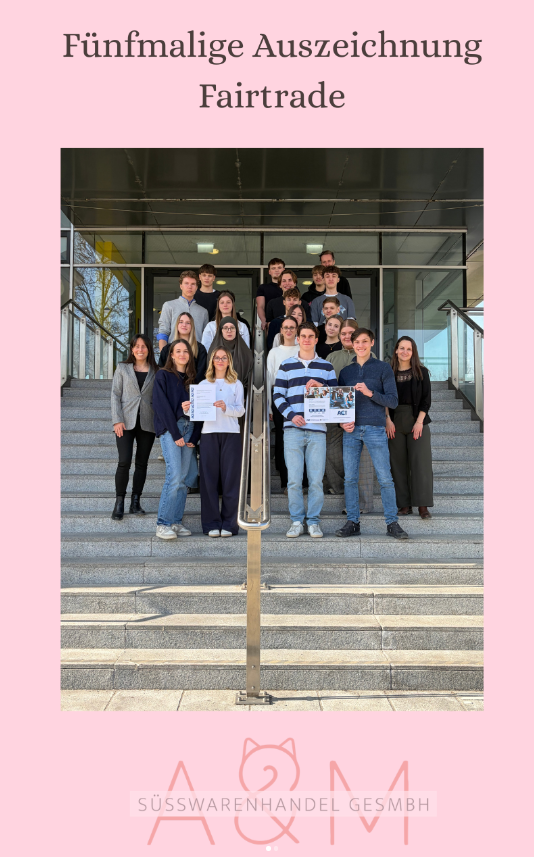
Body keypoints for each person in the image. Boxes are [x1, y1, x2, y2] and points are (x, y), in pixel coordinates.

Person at [335, 328, 408, 540]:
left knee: (385, 478)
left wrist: (370, 393)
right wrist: (341, 422)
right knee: (350, 479)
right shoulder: (346, 372)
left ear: (372, 343)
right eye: (357, 341)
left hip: (375, 428)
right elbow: (339, 404)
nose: (360, 345)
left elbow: (393, 401)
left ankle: (392, 523)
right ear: (352, 344)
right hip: (351, 430)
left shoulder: (383, 368)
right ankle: (353, 522)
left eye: (365, 341)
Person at [273, 322, 338, 538]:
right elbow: (277, 395)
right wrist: (292, 415)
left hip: (317, 430)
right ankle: (296, 521)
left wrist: (321, 387)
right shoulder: (286, 365)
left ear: (316, 339)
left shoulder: (326, 367)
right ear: (298, 339)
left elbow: (336, 396)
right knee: (293, 480)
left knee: (316, 481)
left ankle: (313, 522)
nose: (307, 339)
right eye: (303, 336)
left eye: (311, 336)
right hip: (293, 429)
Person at [152, 339, 202, 539]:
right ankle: (163, 523)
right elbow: (160, 406)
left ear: (190, 355)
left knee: (183, 479)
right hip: (171, 429)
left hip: (190, 429)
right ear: (171, 355)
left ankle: (175, 522)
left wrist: (195, 436)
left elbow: (200, 411)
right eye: (178, 351)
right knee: (173, 476)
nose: (182, 354)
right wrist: (175, 434)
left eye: (185, 351)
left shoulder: (194, 379)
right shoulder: (162, 375)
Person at [325, 320, 375, 510]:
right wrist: (340, 419)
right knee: (331, 453)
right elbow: (328, 387)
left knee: (362, 459)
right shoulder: (332, 357)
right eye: (343, 333)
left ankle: (362, 502)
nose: (347, 336)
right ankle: (339, 487)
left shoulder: (369, 356)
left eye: (351, 333)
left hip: (363, 414)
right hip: (337, 414)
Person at [198, 348, 245, 536]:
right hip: (208, 433)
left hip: (231, 433)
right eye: (217, 357)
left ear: (229, 361)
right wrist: (187, 408)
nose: (220, 360)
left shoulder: (236, 384)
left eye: (224, 357)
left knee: (231, 480)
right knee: (208, 480)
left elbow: (241, 410)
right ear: (212, 361)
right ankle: (211, 524)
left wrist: (227, 407)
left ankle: (229, 525)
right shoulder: (203, 384)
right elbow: (197, 412)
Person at [110, 334, 158, 520]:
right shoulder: (123, 368)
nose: (140, 349)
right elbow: (115, 394)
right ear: (132, 349)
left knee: (142, 463)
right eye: (137, 346)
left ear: (148, 349)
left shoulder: (156, 370)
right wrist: (117, 420)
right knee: (124, 461)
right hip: (125, 422)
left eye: (144, 346)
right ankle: (119, 502)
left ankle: (135, 501)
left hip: (147, 422)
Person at [385, 337, 433, 519]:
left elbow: (426, 400)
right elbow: (384, 397)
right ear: (396, 350)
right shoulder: (388, 372)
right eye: (401, 348)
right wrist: (387, 420)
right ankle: (404, 504)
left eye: (409, 349)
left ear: (413, 352)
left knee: (420, 464)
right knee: (397, 464)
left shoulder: (421, 372)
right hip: (394, 421)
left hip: (417, 420)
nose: (405, 352)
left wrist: (419, 421)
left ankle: (422, 505)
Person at [267, 315, 300, 493]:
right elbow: (268, 379)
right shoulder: (274, 352)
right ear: (281, 331)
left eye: (292, 327)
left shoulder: (303, 348)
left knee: (301, 436)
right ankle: (286, 481)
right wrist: (268, 406)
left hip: (300, 398)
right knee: (282, 438)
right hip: (279, 397)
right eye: (285, 327)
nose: (288, 330)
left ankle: (302, 481)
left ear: (296, 330)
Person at [158, 270, 209, 351]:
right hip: (174, 354)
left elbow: (206, 338)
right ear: (181, 286)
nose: (190, 287)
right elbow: (163, 332)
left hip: (196, 355)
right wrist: (164, 355)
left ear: (196, 287)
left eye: (193, 284)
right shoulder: (169, 306)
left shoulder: (203, 312)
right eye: (186, 283)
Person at [158, 311, 207, 382]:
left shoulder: (200, 349)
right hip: (170, 387)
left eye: (188, 323)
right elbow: (161, 373)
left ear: (192, 326)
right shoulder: (167, 349)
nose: (184, 325)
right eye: (181, 322)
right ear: (177, 325)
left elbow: (201, 375)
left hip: (193, 387)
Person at [207, 317, 253, 386]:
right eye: (225, 328)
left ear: (236, 330)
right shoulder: (213, 351)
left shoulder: (245, 352)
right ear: (221, 330)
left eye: (232, 328)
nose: (229, 331)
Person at [266, 286, 306, 350]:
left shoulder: (306, 323)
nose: (291, 303)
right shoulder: (275, 323)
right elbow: (271, 347)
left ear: (300, 302)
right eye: (289, 299)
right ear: (284, 302)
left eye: (295, 299)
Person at [256, 257, 285, 329]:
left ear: (284, 270)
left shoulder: (290, 287)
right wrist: (264, 321)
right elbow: (260, 306)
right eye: (273, 268)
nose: (276, 270)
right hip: (270, 324)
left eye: (279, 267)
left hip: (289, 323)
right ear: (269, 272)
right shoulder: (263, 288)